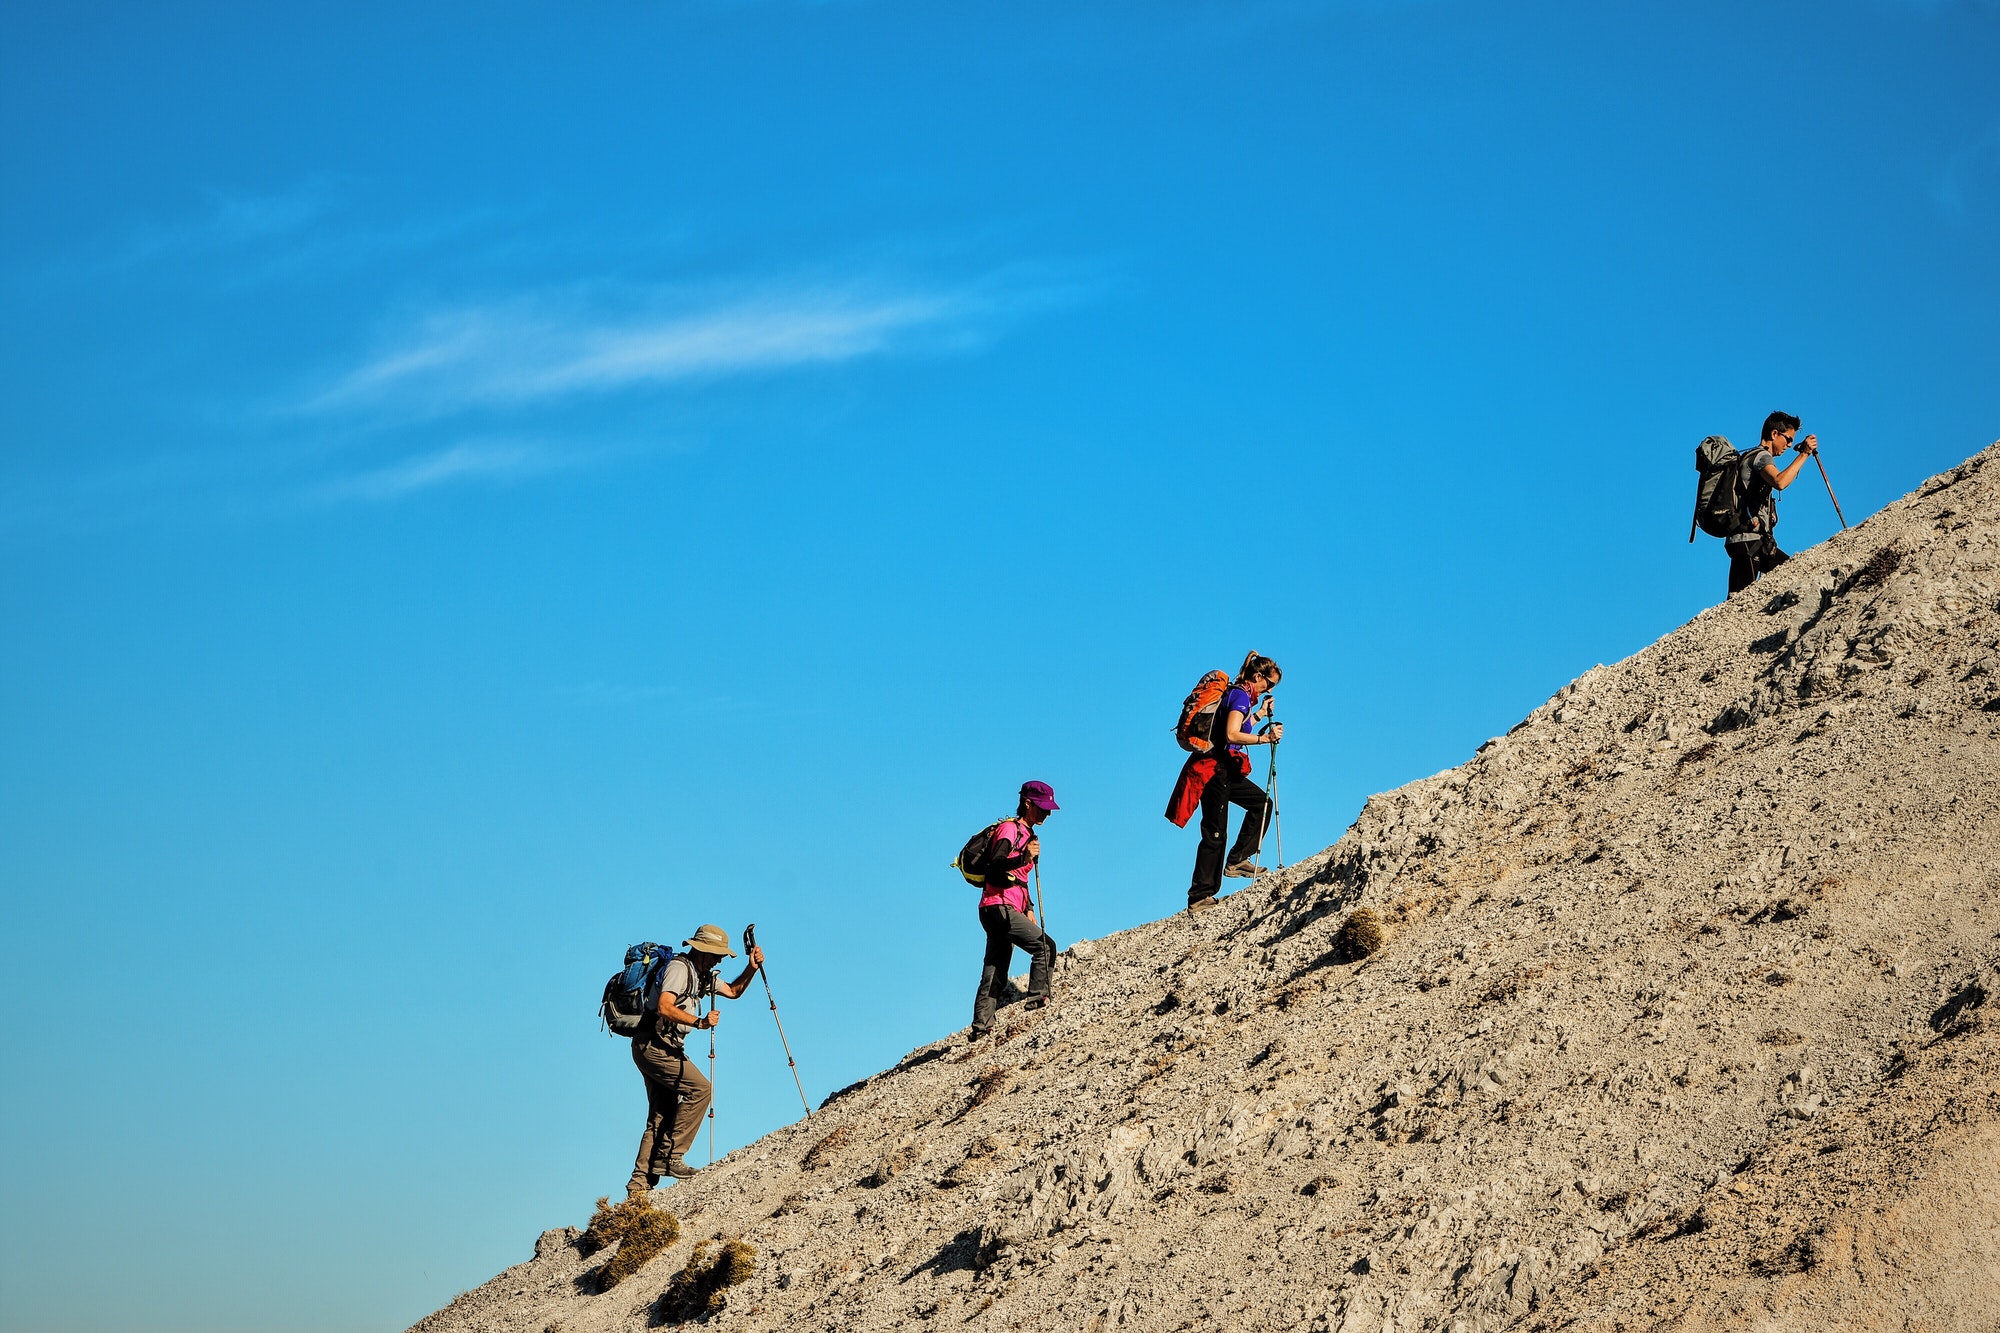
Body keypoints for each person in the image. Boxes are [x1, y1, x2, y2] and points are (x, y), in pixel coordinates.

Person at [626, 924, 764, 1199]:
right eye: (715, 954)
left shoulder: (702, 975)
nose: (719, 960)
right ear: (699, 950)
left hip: (658, 1045)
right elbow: (665, 1006)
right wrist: (699, 1022)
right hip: (654, 1044)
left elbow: (735, 992)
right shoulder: (679, 969)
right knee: (700, 1089)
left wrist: (752, 968)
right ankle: (670, 1156)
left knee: (660, 1115)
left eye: (721, 956)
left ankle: (638, 1187)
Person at [1188, 653, 1283, 912]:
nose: (1270, 689)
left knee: (1262, 804)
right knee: (1215, 832)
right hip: (1214, 770)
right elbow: (1231, 733)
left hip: (1224, 769)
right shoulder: (1240, 695)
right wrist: (1266, 740)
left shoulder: (1239, 695)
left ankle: (1238, 859)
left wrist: (1260, 715)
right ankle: (1200, 897)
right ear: (1258, 677)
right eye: (1270, 684)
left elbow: (1237, 732)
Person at [970, 781, 1060, 1039]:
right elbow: (996, 866)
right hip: (1000, 905)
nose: (1047, 813)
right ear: (1027, 803)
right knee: (1045, 947)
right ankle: (1037, 1001)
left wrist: (1028, 906)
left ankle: (981, 1026)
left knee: (995, 966)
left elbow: (1019, 878)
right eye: (1043, 807)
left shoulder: (1025, 834)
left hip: (995, 907)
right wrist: (1025, 857)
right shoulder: (1010, 830)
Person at [1727, 411, 1819, 596]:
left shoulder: (1750, 456)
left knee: (1738, 599)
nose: (1789, 444)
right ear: (1774, 434)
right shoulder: (1761, 457)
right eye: (1788, 439)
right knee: (1737, 602)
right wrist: (1804, 454)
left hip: (1752, 541)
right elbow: (1780, 481)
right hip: (1749, 542)